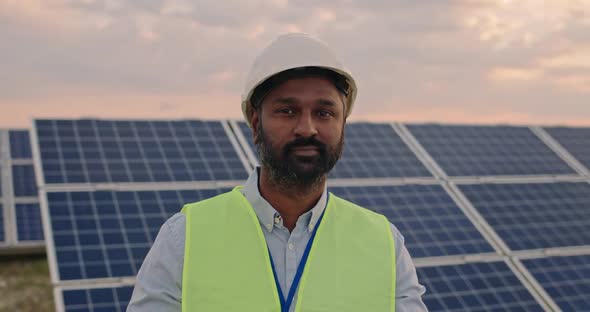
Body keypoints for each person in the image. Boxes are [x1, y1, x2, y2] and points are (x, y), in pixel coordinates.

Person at [127, 33, 426, 312]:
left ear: (342, 124)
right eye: (288, 111)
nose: (307, 128)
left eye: (324, 113)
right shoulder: (183, 239)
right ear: (256, 123)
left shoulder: (386, 244)